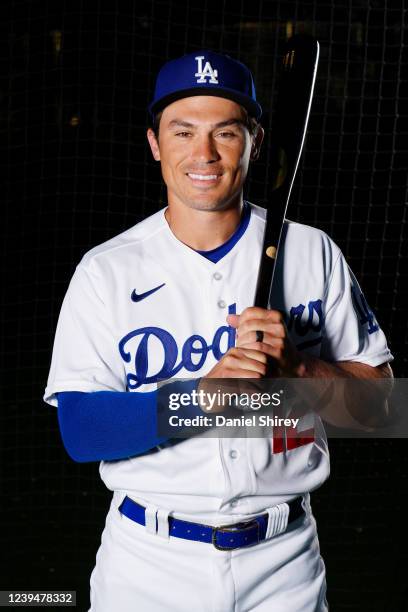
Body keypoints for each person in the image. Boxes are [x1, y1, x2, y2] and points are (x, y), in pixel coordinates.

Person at [43, 49, 393, 611]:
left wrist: (299, 371)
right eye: (182, 132)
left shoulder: (313, 251)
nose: (203, 154)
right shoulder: (106, 270)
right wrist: (201, 401)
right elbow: (81, 431)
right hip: (149, 566)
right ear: (155, 144)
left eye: (225, 133)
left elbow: (382, 410)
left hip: (285, 568)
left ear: (254, 140)